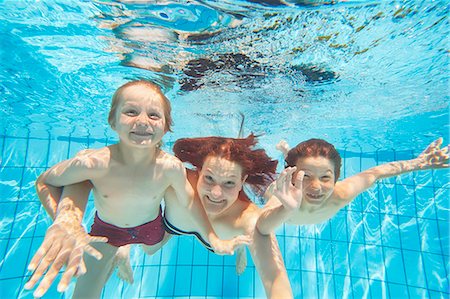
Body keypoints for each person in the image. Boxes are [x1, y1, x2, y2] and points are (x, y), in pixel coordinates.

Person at [24, 80, 248, 298]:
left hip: (151, 228)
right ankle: (120, 252)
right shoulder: (93, 163)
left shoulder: (169, 167)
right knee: (85, 293)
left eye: (153, 115)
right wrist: (63, 221)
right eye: (131, 112)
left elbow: (189, 202)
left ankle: (125, 251)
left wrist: (213, 239)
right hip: (106, 231)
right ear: (112, 120)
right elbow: (45, 182)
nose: (142, 122)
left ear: (166, 126)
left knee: (150, 250)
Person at [63, 134, 293, 298]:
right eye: (209, 178)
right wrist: (68, 218)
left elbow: (275, 279)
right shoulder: (177, 179)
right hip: (174, 224)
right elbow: (88, 167)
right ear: (198, 172)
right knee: (148, 248)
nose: (215, 193)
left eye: (229, 183)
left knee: (237, 243)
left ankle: (241, 249)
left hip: (224, 238)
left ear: (242, 182)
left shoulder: (248, 218)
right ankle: (126, 249)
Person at [256, 138, 449, 232]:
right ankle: (287, 155)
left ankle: (289, 155)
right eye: (305, 176)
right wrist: (285, 209)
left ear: (336, 178)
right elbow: (262, 226)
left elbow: (376, 173)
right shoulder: (281, 197)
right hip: (271, 187)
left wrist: (419, 163)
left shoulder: (341, 193)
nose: (316, 187)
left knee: (299, 166)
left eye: (325, 177)